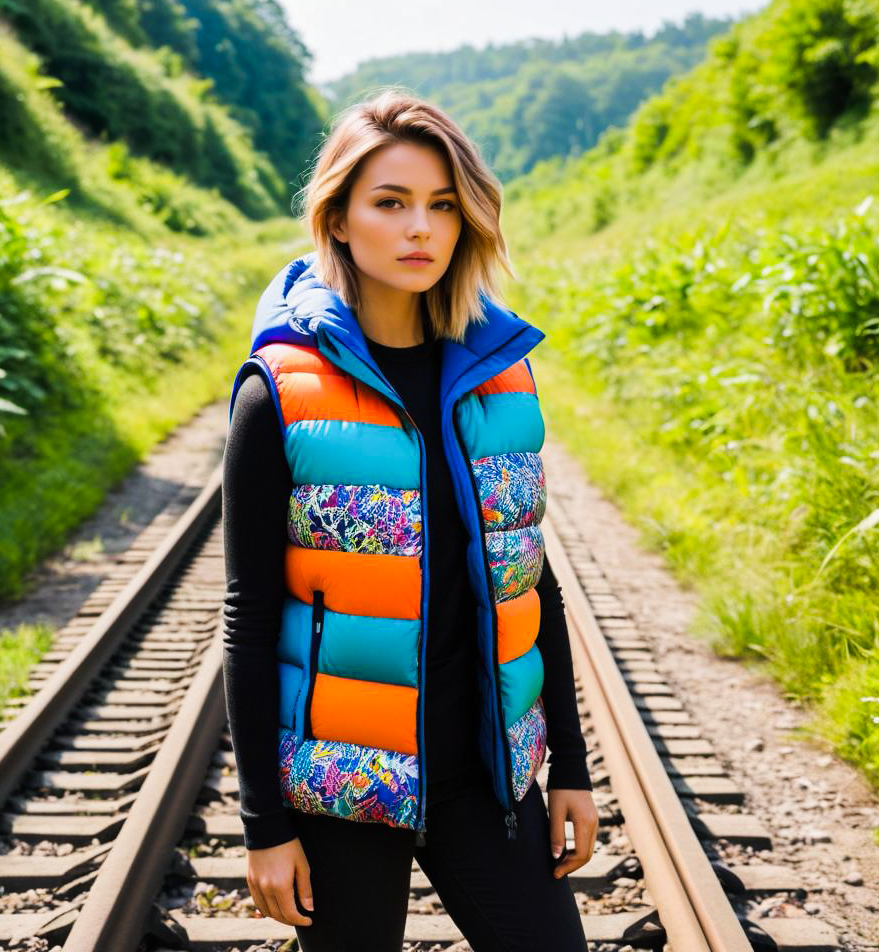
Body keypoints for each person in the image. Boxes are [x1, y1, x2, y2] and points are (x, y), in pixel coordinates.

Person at [222, 88, 598, 951]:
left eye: (441, 205)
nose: (420, 228)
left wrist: (570, 768)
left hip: (486, 779)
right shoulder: (278, 391)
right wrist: (264, 826)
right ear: (341, 219)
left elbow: (530, 583)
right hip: (343, 787)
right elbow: (246, 619)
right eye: (390, 204)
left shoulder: (501, 378)